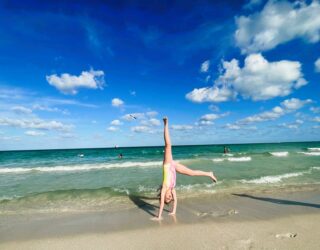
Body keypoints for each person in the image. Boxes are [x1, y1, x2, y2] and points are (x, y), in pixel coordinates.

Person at [151, 117, 217, 221]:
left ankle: (165, 124)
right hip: (174, 166)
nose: (170, 197)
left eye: (168, 198)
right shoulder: (172, 188)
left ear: (164, 197)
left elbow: (162, 204)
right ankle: (209, 173)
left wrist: (159, 216)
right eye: (170, 198)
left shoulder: (164, 187)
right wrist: (173, 211)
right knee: (192, 173)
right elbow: (176, 201)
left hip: (168, 165)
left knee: (168, 146)